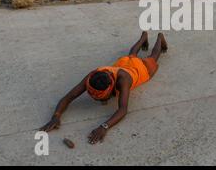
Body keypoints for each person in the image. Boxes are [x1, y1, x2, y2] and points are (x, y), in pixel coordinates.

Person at [40, 32, 168, 145]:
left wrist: (104, 127)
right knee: (131, 56)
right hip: (122, 65)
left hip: (139, 69)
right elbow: (68, 97)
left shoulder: (123, 81)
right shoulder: (93, 76)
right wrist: (56, 116)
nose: (96, 100)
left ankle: (159, 38)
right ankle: (143, 37)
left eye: (100, 98)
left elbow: (123, 109)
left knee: (153, 57)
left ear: (111, 87)